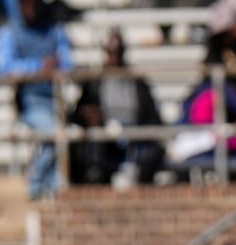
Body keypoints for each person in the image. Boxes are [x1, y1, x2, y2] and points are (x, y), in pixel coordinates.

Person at [0, 0, 73, 201]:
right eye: (26, 2)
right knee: (54, 134)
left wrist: (53, 67)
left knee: (71, 133)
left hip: (58, 101)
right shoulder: (11, 32)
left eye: (34, 2)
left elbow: (67, 62)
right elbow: (3, 68)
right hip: (31, 102)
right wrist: (39, 66)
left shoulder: (54, 29)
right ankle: (38, 184)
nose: (30, 8)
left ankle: (53, 185)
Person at [69, 31, 164, 186]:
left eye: (118, 51)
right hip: (106, 138)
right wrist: (88, 115)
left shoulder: (138, 82)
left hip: (134, 137)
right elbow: (77, 115)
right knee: (94, 141)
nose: (114, 56)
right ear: (105, 52)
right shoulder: (94, 82)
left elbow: (153, 117)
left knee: (154, 150)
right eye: (111, 51)